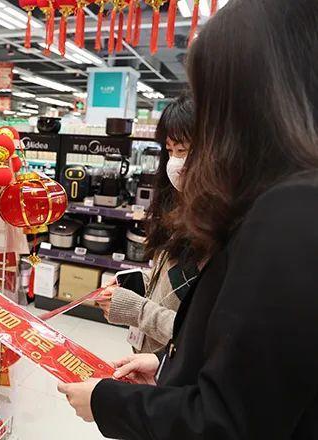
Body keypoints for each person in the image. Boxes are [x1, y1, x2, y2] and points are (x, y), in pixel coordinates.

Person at [58, 0, 318, 438]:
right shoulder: (283, 202)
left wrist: (108, 402)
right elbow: (251, 369)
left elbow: (230, 422)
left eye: (210, 99)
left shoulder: (288, 216)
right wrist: (167, 363)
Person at [96, 94, 199, 355]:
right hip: (152, 359)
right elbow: (170, 284)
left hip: (174, 366)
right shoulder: (181, 209)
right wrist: (137, 284)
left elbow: (201, 335)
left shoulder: (218, 231)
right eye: (170, 151)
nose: (175, 162)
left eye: (182, 151)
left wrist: (136, 309)